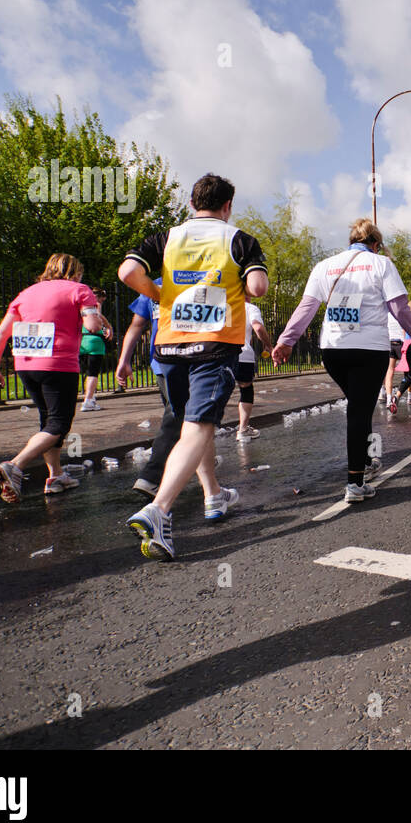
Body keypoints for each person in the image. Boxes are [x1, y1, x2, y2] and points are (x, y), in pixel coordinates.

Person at [118, 173, 269, 561]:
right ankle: (159, 508)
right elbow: (257, 289)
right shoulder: (238, 239)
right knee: (199, 426)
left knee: (191, 426)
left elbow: (127, 273)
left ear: (191, 204)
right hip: (214, 347)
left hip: (169, 346)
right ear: (227, 206)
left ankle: (213, 495)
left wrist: (160, 294)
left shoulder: (166, 237)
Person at [272, 219, 411, 501]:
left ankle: (367, 462)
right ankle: (355, 482)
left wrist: (286, 340)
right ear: (376, 244)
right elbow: (399, 308)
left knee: (361, 405)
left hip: (333, 350)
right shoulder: (381, 264)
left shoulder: (325, 266)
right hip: (369, 349)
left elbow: (307, 308)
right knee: (358, 409)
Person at [0, 253, 106, 500]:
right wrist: (99, 322)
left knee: (48, 420)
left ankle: (55, 475)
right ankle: (15, 465)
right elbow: (93, 326)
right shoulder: (80, 290)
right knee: (60, 423)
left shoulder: (26, 293)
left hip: (26, 364)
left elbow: (0, 334)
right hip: (59, 364)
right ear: (76, 272)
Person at [115, 276, 180, 498]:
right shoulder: (203, 277)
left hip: (161, 362)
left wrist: (124, 359)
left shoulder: (154, 284)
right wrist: (124, 360)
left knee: (185, 419)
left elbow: (136, 325)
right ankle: (151, 476)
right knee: (180, 418)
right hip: (189, 360)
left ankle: (202, 467)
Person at [234, 301, 273, 442]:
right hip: (242, 354)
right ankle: (243, 430)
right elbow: (258, 328)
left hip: (217, 354)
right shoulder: (249, 307)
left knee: (214, 394)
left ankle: (205, 438)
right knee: (246, 389)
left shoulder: (217, 301)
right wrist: (268, 345)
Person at [78, 287, 112, 411]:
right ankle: (87, 401)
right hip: (95, 341)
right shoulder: (95, 305)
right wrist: (109, 327)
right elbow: (98, 317)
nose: (103, 301)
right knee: (92, 373)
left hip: (81, 340)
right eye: (102, 297)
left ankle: (90, 397)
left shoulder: (80, 305)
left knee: (82, 371)